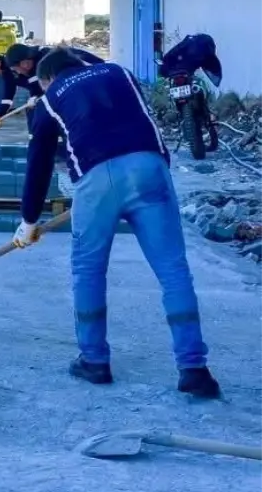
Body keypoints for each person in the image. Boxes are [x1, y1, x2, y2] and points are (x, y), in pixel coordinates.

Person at [13, 48, 220, 399]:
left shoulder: (49, 99)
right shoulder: (120, 72)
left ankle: (94, 361)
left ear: (47, 79)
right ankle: (194, 370)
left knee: (89, 271)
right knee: (173, 271)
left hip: (98, 181)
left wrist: (29, 219)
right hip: (150, 168)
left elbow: (40, 160)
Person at [0, 42, 104, 128]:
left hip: (92, 79)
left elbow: (45, 86)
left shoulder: (47, 58)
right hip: (74, 86)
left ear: (25, 63)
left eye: (17, 69)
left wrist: (36, 96)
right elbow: (10, 93)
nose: (18, 73)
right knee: (35, 110)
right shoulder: (22, 70)